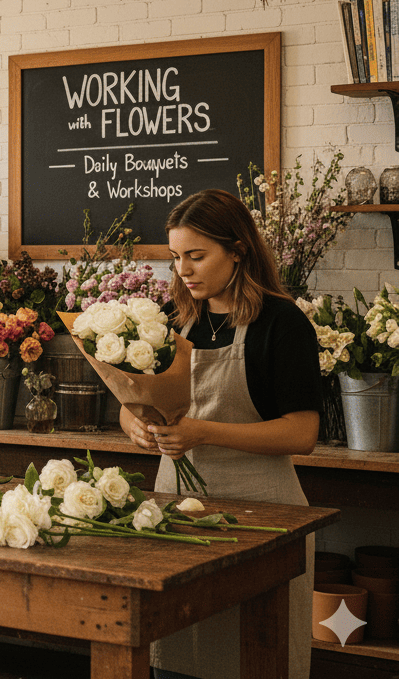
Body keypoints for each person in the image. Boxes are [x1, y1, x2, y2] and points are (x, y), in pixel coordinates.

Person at [119, 188, 320, 679]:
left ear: (238, 250)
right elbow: (130, 407)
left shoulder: (282, 321)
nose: (183, 271)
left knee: (254, 657)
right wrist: (138, 428)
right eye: (175, 257)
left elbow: (302, 432)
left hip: (262, 518)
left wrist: (203, 433)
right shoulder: (171, 323)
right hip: (175, 520)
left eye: (196, 256)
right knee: (178, 657)